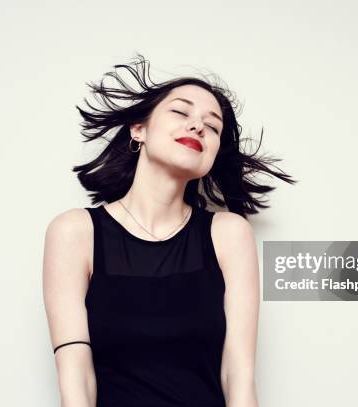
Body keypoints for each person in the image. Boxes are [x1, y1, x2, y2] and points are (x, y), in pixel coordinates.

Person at [42, 53, 296, 407]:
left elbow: (237, 375)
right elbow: (75, 374)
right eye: (181, 112)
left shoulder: (228, 234)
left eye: (213, 126)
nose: (198, 127)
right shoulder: (74, 232)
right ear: (138, 129)